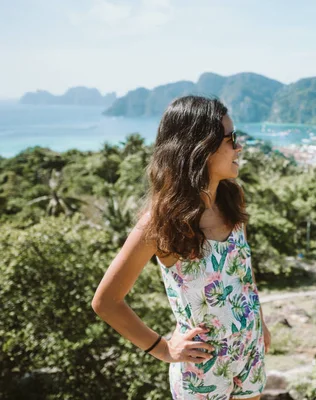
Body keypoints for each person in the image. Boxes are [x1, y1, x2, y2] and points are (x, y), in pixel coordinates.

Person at [92, 96, 270, 399]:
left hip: (249, 352)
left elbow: (243, 271)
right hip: (202, 369)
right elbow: (106, 302)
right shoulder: (160, 222)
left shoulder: (231, 199)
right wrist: (162, 348)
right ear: (199, 147)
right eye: (230, 139)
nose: (239, 147)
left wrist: (260, 323)